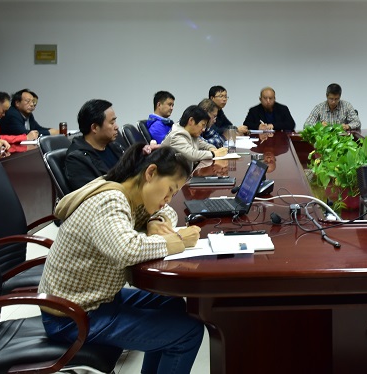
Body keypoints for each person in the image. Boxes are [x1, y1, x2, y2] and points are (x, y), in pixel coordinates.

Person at [39, 144, 204, 374]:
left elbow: (167, 212)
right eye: (169, 190)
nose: (167, 199)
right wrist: (178, 241)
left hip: (94, 299)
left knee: (172, 303)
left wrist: (154, 221)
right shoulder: (111, 200)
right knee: (188, 333)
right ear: (151, 172)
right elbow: (126, 251)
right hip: (71, 317)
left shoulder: (130, 194)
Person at [65, 99, 126, 191]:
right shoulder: (77, 159)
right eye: (112, 123)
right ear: (94, 128)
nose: (116, 127)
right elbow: (94, 193)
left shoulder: (115, 147)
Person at [161, 105, 228, 167]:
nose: (203, 129)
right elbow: (192, 154)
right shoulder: (176, 135)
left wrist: (213, 149)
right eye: (203, 125)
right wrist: (214, 154)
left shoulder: (191, 133)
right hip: (171, 175)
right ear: (191, 121)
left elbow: (205, 145)